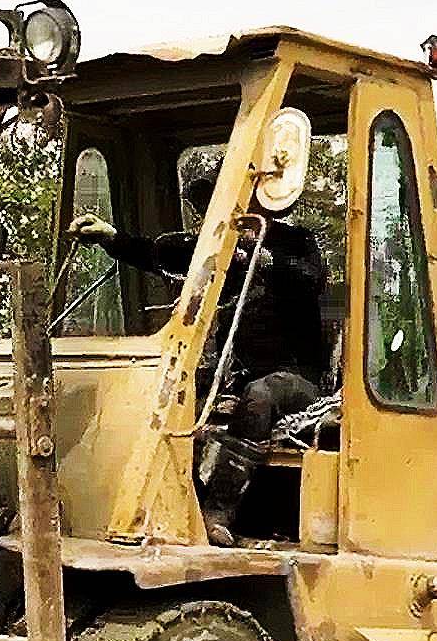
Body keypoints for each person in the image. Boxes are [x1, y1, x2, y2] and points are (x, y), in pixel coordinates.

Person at [67, 178, 328, 544]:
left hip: (297, 378)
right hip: (236, 375)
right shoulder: (221, 246)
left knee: (260, 396)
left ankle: (218, 510)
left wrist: (261, 257)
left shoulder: (296, 242)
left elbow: (311, 276)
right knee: (169, 388)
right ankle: (160, 503)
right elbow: (159, 254)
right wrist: (111, 237)